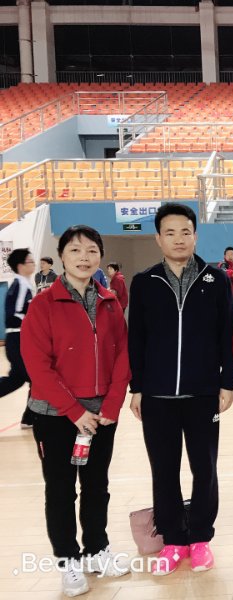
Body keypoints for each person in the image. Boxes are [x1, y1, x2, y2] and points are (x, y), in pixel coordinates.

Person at [21, 225, 131, 596]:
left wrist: (112, 403)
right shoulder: (43, 304)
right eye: (75, 250)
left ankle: (96, 550)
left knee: (97, 486)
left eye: (91, 251)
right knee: (61, 489)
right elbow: (38, 366)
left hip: (101, 415)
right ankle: (69, 561)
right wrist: (73, 411)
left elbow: (122, 355)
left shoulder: (110, 302)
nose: (84, 257)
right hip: (55, 416)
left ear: (100, 256)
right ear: (62, 257)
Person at [128, 203, 233, 576]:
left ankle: (201, 538)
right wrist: (137, 387)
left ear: (195, 236)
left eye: (185, 232)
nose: (178, 239)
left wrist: (227, 382)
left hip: (203, 394)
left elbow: (228, 335)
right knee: (164, 470)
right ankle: (173, 540)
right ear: (158, 238)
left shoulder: (216, 280)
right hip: (157, 397)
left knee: (205, 468)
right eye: (170, 232)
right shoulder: (145, 282)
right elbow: (136, 339)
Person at [1, 248, 35, 428]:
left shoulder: (25, 284)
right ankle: (29, 419)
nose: (33, 264)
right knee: (37, 379)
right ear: (21, 266)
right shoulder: (21, 285)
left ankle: (29, 419)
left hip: (19, 339)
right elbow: (14, 315)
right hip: (17, 339)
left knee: (16, 379)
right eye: (30, 261)